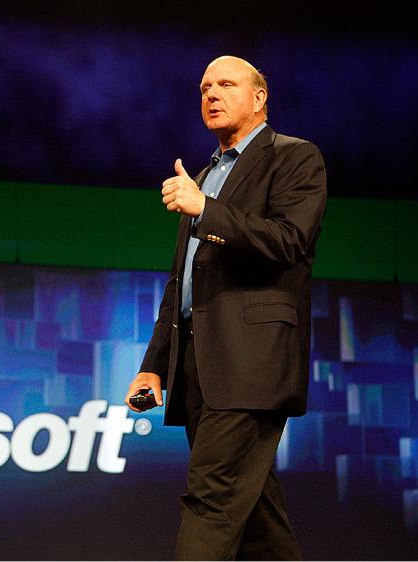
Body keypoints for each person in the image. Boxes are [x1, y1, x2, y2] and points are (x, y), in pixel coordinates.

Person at [124, 55, 327, 560]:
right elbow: (183, 284)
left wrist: (206, 210)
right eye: (204, 86)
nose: (211, 94)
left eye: (226, 84)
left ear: (259, 97)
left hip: (251, 362)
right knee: (258, 519)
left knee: (212, 500)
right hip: (198, 366)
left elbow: (289, 241)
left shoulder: (295, 157)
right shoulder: (203, 175)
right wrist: (154, 366)